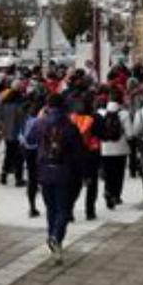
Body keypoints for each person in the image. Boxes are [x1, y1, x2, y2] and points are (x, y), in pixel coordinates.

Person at [27, 94, 83, 264]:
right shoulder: (69, 125)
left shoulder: (40, 123)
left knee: (51, 208)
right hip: (64, 172)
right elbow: (78, 151)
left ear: (47, 106)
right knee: (63, 209)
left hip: (44, 171)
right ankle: (56, 237)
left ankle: (53, 239)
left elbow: (29, 139)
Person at [70, 93, 103, 221]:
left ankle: (69, 211)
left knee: (74, 184)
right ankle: (90, 211)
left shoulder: (72, 118)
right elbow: (102, 134)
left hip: (75, 156)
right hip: (91, 155)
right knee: (91, 184)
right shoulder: (96, 118)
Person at [99, 91, 132, 209]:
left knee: (108, 173)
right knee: (119, 173)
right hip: (121, 149)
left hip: (105, 149)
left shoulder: (101, 113)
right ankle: (116, 196)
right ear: (121, 101)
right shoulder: (124, 114)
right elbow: (130, 133)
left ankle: (108, 191)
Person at [0, 80, 27, 187]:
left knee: (9, 154)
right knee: (19, 156)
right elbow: (22, 120)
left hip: (7, 132)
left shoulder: (4, 102)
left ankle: (3, 175)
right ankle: (18, 179)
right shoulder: (20, 103)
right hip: (17, 133)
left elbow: (0, 117)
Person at [20, 99, 43, 218]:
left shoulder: (25, 121)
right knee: (38, 179)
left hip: (28, 151)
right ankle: (35, 207)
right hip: (38, 151)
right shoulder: (40, 121)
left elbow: (20, 136)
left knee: (32, 178)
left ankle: (32, 207)